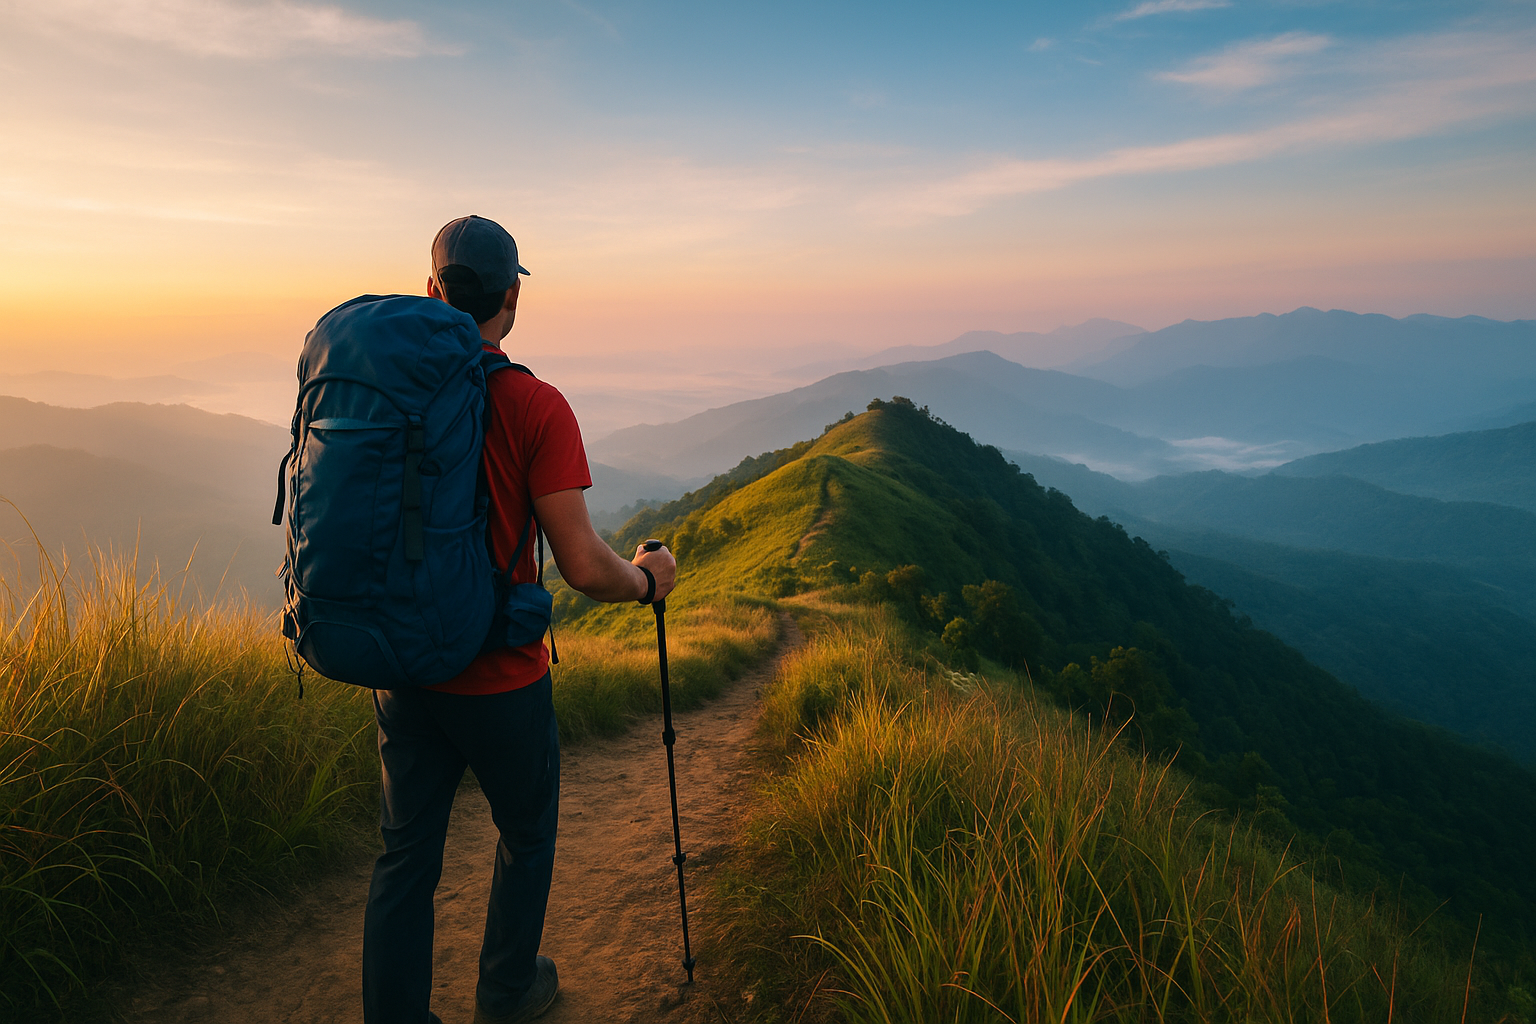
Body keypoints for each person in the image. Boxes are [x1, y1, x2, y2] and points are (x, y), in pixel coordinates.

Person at [361, 215, 678, 1024]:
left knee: (406, 854)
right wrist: (646, 583)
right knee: (526, 832)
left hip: (400, 664)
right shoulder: (536, 405)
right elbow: (580, 564)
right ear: (512, 299)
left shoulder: (388, 392)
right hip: (501, 672)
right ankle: (506, 990)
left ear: (432, 289)